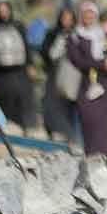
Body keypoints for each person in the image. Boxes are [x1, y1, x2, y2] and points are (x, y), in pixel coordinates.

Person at [68, 0, 107, 159]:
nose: (89, 17)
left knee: (105, 127)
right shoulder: (75, 37)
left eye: (92, 14)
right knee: (89, 123)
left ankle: (106, 160)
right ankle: (91, 158)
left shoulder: (103, 35)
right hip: (86, 87)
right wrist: (101, 64)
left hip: (106, 87)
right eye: (86, 13)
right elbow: (77, 61)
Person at [0, 0, 38, 132]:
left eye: (5, 10)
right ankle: (2, 128)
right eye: (1, 11)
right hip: (1, 74)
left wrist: (30, 65)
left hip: (19, 72)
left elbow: (26, 47)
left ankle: (24, 129)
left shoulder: (18, 27)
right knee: (2, 100)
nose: (3, 13)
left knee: (22, 99)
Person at [41, 7, 80, 142]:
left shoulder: (78, 35)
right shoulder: (53, 34)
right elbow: (48, 54)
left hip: (72, 79)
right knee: (52, 106)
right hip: (54, 76)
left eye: (70, 19)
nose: (67, 21)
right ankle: (54, 133)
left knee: (69, 108)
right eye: (64, 18)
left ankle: (70, 136)